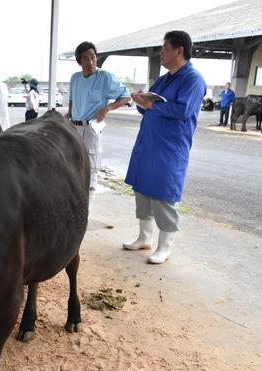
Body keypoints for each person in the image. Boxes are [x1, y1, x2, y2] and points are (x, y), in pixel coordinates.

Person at [123, 30, 206, 264]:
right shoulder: (164, 78)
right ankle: (144, 238)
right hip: (149, 144)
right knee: (142, 191)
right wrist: (141, 102)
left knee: (163, 196)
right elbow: (149, 106)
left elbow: (183, 110)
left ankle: (164, 247)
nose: (161, 53)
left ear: (179, 50)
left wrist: (150, 105)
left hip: (170, 148)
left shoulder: (193, 79)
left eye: (165, 49)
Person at [65, 41, 131, 212]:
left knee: (91, 167)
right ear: (80, 61)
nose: (91, 62)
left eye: (93, 57)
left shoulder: (105, 77)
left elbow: (126, 96)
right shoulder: (75, 78)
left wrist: (107, 108)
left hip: (92, 128)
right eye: (86, 58)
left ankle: (86, 212)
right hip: (74, 126)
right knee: (73, 163)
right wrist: (69, 113)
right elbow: (72, 98)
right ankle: (73, 204)